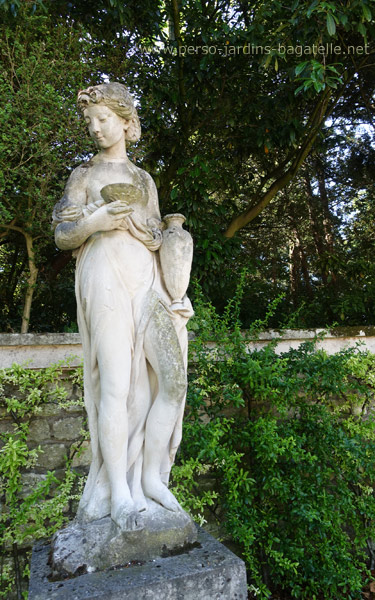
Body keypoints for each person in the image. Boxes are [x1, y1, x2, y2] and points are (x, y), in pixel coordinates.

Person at [52, 82, 193, 531]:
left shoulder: (144, 180)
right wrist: (96, 220)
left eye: (103, 119)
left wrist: (175, 289)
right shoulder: (83, 176)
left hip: (145, 281)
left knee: (171, 380)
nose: (95, 128)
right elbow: (62, 235)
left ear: (125, 121)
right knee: (114, 386)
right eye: (90, 121)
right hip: (104, 277)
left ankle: (151, 476)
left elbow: (157, 236)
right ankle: (119, 492)